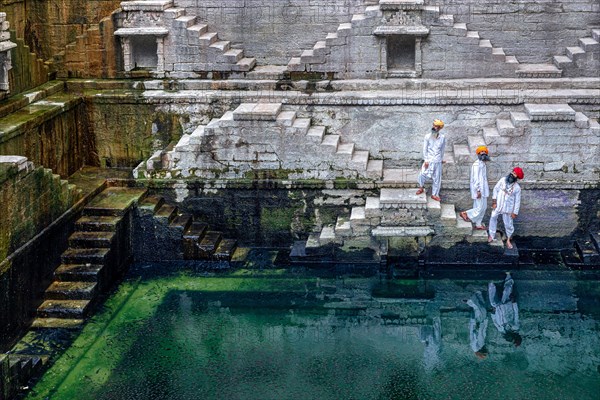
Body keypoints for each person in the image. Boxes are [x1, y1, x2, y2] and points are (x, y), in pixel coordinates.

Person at [488, 167, 523, 249]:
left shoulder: (517, 188)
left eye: (514, 174)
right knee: (493, 217)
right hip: (498, 205)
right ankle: (491, 235)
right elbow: (495, 189)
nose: (512, 174)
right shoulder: (503, 180)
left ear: (516, 177)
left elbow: (517, 201)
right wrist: (494, 202)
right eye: (512, 172)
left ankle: (508, 240)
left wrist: (515, 212)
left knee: (508, 224)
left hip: (508, 209)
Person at [460, 146, 490, 230]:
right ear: (478, 154)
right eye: (481, 152)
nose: (483, 153)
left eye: (485, 152)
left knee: (483, 208)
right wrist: (478, 190)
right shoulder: (476, 165)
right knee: (480, 207)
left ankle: (478, 224)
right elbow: (476, 179)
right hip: (479, 190)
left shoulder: (483, 164)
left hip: (484, 189)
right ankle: (465, 213)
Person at [488, 272, 522, 347]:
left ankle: (491, 283)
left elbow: (495, 322)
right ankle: (508, 276)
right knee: (506, 291)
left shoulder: (501, 330)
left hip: (498, 310)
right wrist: (514, 303)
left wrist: (493, 313)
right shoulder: (515, 327)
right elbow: (516, 315)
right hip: (507, 307)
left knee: (492, 301)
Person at [416, 119, 446, 202]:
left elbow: (442, 150)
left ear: (439, 128)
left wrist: (441, 159)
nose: (434, 127)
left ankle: (434, 194)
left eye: (436, 126)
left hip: (437, 161)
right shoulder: (427, 136)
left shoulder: (442, 137)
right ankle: (421, 187)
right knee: (422, 174)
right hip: (429, 160)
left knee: (437, 178)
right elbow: (425, 149)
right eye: (433, 125)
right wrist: (426, 160)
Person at [466, 291, 489, 359]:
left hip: (477, 326)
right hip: (479, 326)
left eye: (484, 351)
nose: (486, 349)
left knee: (478, 310)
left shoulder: (476, 348)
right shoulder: (479, 347)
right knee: (482, 310)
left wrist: (477, 328)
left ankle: (471, 300)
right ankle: (478, 295)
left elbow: (475, 337)